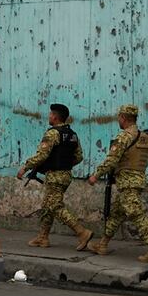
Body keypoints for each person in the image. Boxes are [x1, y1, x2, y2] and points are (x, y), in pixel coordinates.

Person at [86, 104, 148, 263]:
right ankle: (103, 244)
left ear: (124, 118)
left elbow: (112, 160)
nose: (118, 119)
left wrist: (96, 175)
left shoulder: (124, 137)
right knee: (117, 213)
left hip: (127, 181)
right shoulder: (144, 137)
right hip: (137, 179)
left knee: (136, 213)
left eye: (119, 117)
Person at [16, 103, 92, 251]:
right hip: (65, 175)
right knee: (47, 206)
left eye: (50, 114)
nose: (49, 116)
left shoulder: (52, 133)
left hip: (55, 176)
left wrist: (25, 167)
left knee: (55, 206)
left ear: (56, 117)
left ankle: (82, 232)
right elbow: (79, 157)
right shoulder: (72, 135)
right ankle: (43, 237)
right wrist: (64, 165)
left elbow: (42, 155)